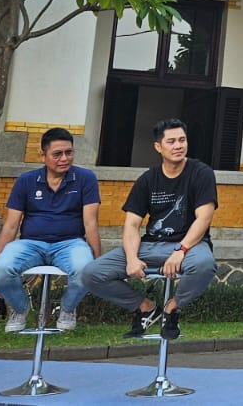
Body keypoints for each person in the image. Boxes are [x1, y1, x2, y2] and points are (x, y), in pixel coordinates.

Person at [79, 118, 217, 341]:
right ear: (158, 147)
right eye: (171, 141)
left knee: (204, 265)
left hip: (190, 246)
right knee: (91, 274)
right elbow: (132, 225)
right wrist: (132, 258)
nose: (178, 146)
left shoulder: (201, 173)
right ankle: (145, 307)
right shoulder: (147, 180)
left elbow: (204, 218)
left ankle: (171, 309)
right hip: (151, 245)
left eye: (182, 140)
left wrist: (181, 250)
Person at [0, 127, 101, 332]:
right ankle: (19, 308)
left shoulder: (86, 178)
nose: (64, 158)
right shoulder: (25, 181)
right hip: (30, 243)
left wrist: (98, 262)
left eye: (69, 152)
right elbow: (11, 225)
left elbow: (90, 223)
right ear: (42, 155)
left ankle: (66, 309)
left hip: (71, 243)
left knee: (86, 270)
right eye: (57, 154)